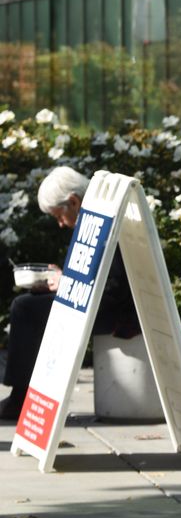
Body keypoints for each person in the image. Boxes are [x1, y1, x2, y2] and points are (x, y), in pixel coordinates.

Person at [0, 167, 141, 420]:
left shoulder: (105, 219)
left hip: (116, 311)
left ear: (73, 201)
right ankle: (22, 394)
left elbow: (115, 286)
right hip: (100, 300)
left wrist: (65, 282)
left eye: (59, 215)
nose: (60, 223)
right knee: (30, 303)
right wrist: (62, 279)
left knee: (25, 309)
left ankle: (21, 397)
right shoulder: (97, 214)